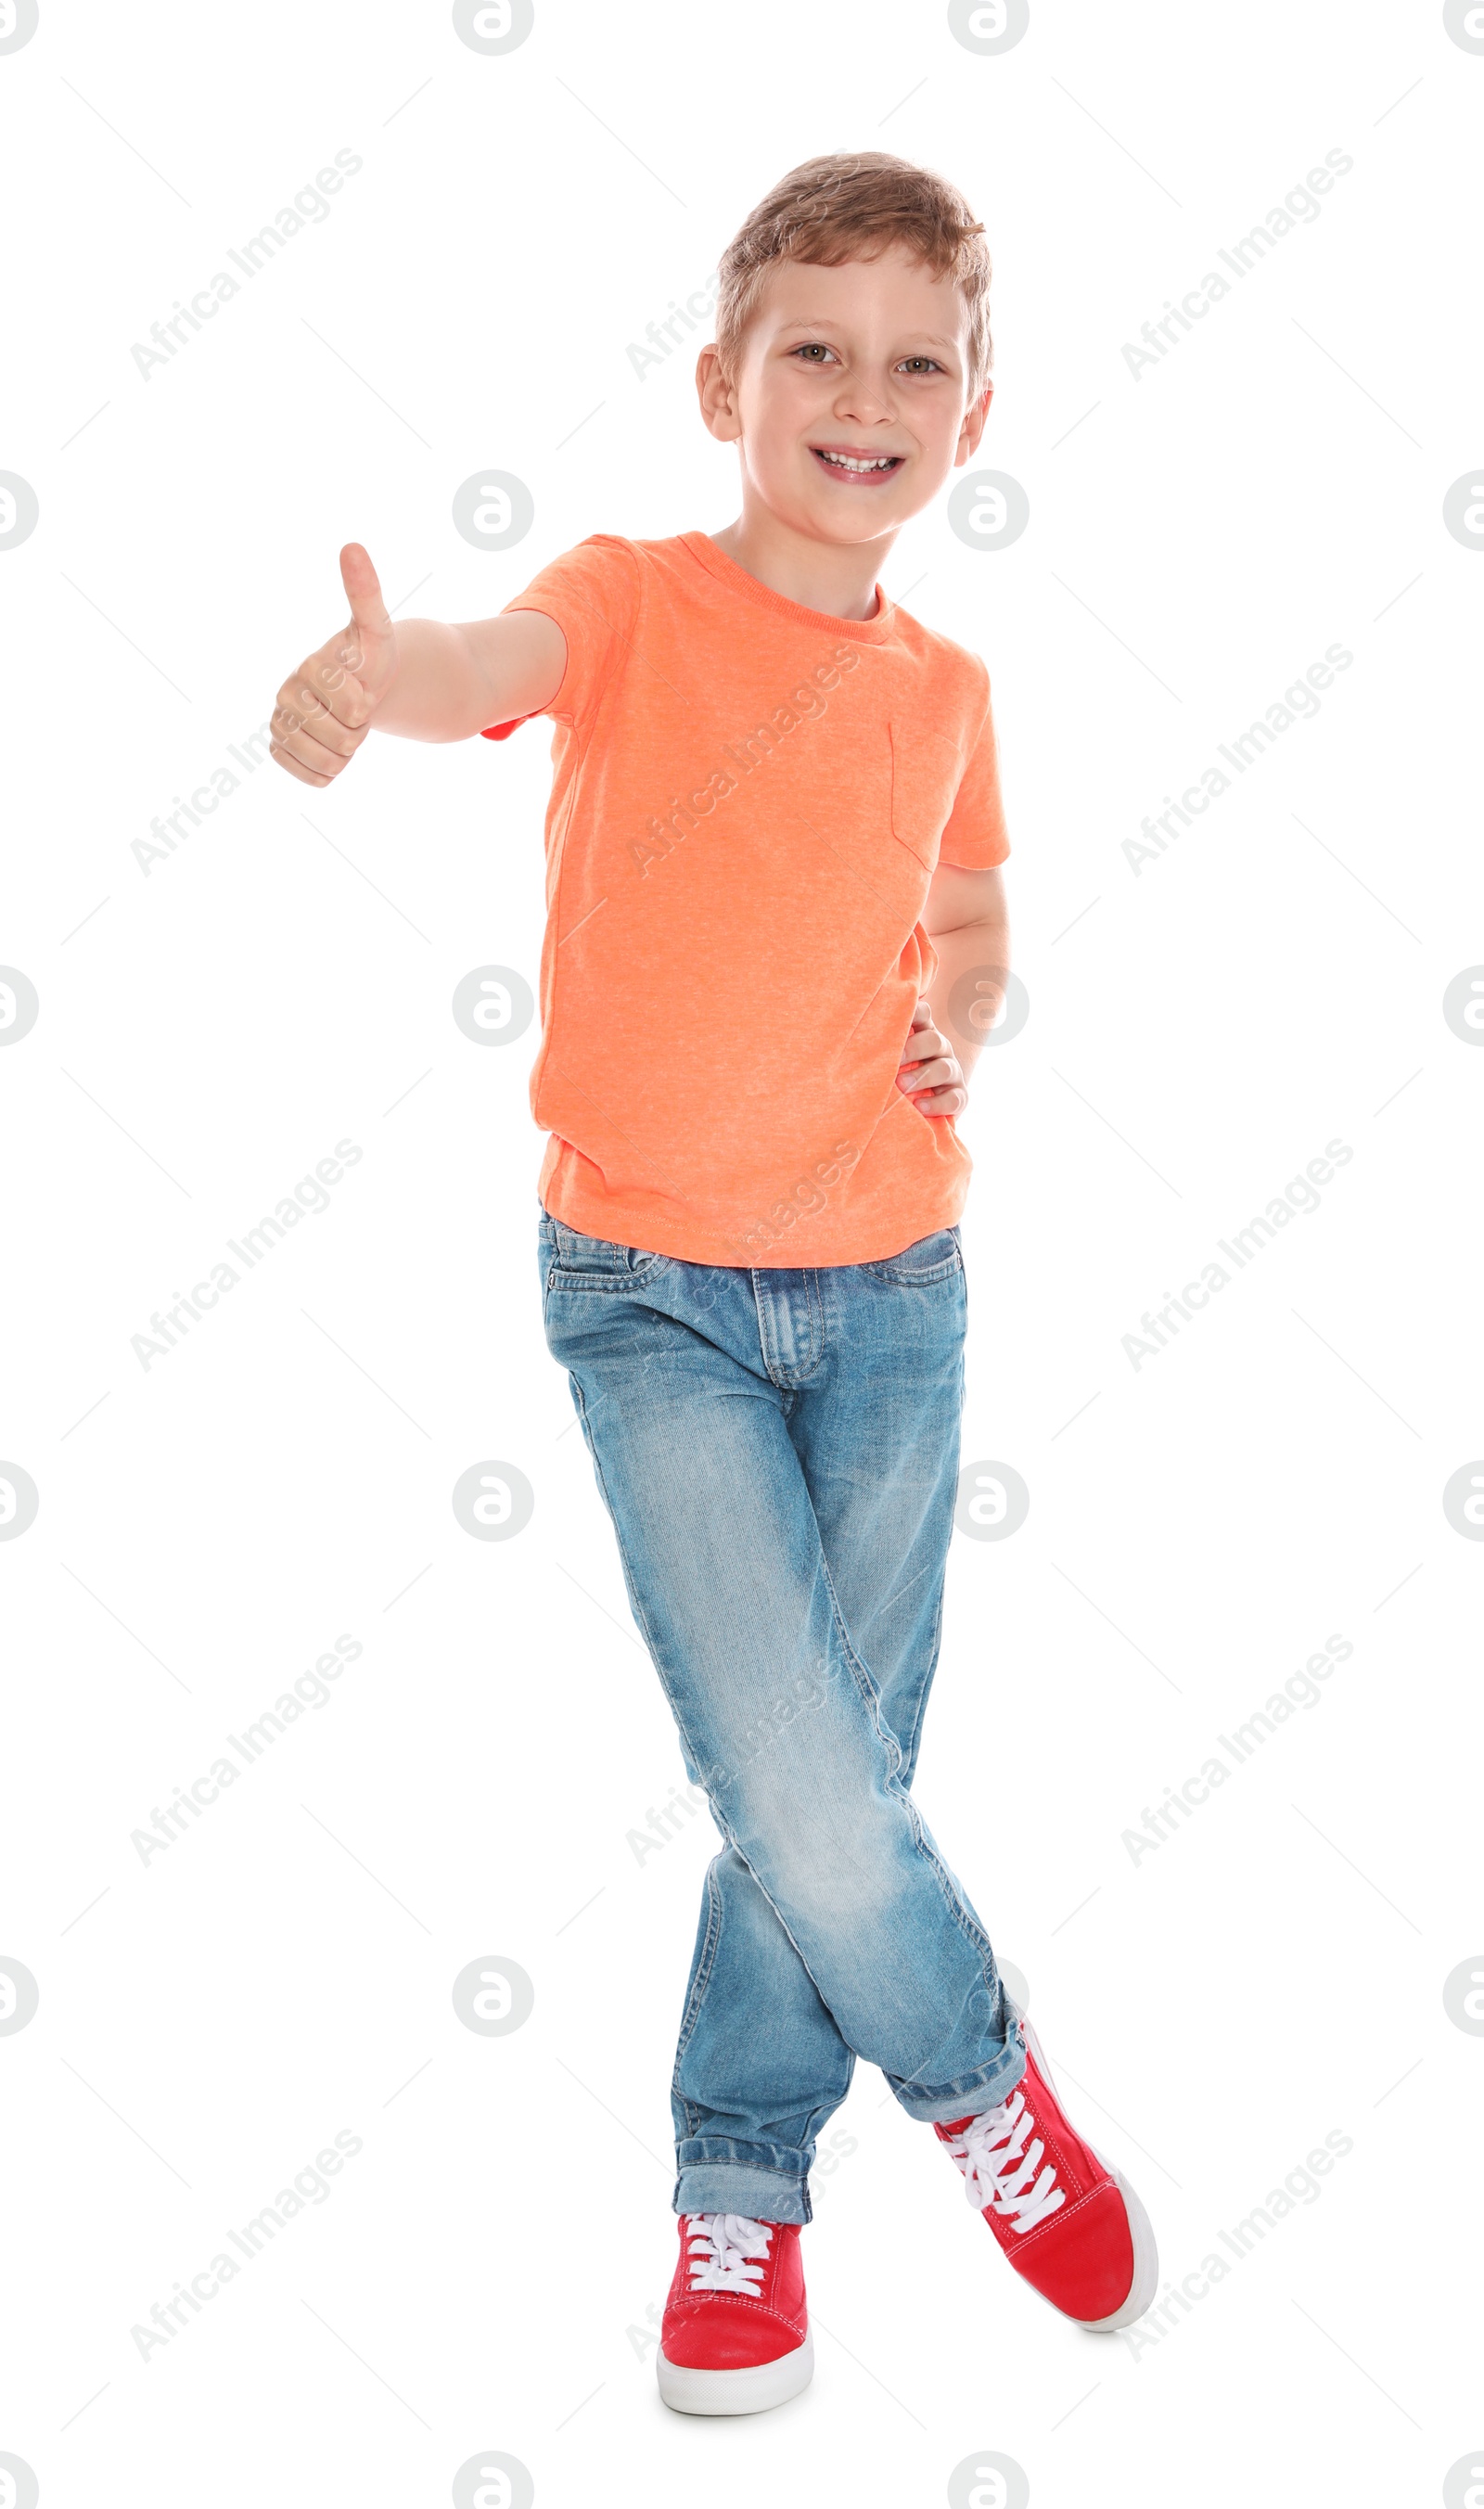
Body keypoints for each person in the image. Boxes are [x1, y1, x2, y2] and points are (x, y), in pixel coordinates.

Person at [269, 149, 1157, 2418]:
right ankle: (973, 2081)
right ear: (721, 382)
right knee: (787, 1751)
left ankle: (739, 2188)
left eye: (916, 364)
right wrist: (387, 677)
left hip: (889, 1288)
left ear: (974, 414)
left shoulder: (949, 687)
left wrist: (969, 1006)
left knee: (818, 1782)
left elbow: (968, 915)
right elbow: (495, 660)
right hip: (645, 1286)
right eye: (814, 351)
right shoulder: (637, 598)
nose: (864, 395)